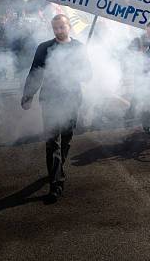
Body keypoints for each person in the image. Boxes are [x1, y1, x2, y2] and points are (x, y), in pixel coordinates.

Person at [21, 14, 91, 203]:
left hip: (72, 99)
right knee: (52, 143)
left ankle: (57, 167)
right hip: (50, 99)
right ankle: (56, 183)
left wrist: (80, 68)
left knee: (66, 139)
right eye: (56, 28)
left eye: (62, 27)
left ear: (69, 27)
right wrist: (27, 95)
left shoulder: (79, 48)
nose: (59, 31)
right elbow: (35, 72)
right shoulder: (44, 48)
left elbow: (88, 74)